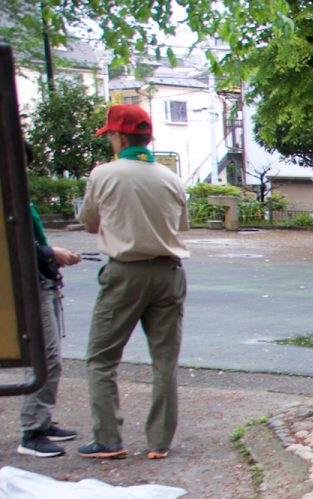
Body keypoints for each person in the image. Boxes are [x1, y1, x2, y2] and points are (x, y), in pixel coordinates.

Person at [76, 103, 190, 460]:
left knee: (101, 358)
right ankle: (159, 441)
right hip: (169, 273)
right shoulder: (171, 179)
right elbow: (180, 227)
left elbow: (91, 223)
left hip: (125, 272)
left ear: (119, 136)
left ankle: (108, 438)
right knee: (164, 360)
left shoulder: (104, 174)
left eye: (110, 134)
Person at [18, 144, 83, 458]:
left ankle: (41, 421)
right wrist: (49, 253)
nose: (25, 170)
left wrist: (52, 255)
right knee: (46, 357)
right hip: (29, 286)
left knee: (49, 357)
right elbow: (16, 242)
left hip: (42, 280)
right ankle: (32, 430)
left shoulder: (18, 194)